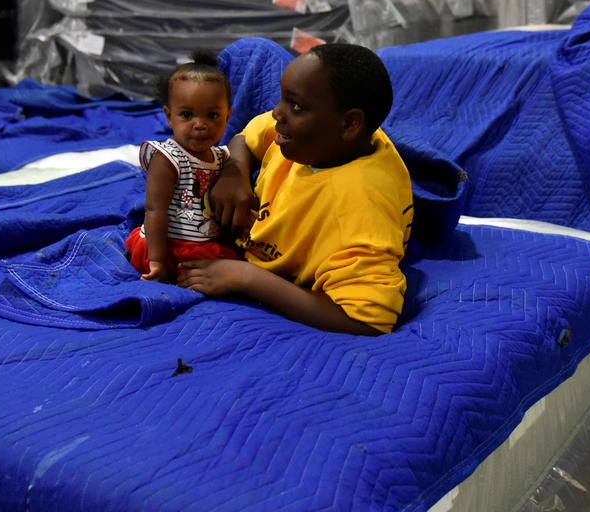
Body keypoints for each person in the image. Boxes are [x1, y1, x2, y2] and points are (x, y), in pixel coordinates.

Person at [177, 42, 414, 336]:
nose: (277, 113)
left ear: (350, 123)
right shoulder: (321, 140)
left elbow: (366, 320)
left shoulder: (360, 210)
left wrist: (246, 277)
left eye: (296, 106)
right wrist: (234, 171)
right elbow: (247, 136)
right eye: (282, 100)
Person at [126, 54, 243, 283]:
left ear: (228, 116)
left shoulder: (222, 157)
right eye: (187, 115)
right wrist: (157, 260)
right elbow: (154, 210)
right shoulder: (168, 158)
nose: (200, 124)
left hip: (204, 240)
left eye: (212, 115)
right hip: (167, 243)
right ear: (169, 117)